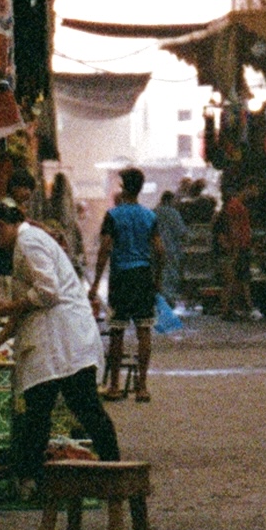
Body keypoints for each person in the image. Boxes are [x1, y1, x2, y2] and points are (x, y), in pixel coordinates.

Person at [0, 196, 123, 486]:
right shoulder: (26, 242)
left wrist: (8, 307)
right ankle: (38, 478)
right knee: (45, 410)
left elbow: (48, 292)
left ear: (1, 226)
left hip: (62, 338)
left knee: (76, 407)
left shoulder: (28, 242)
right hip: (56, 339)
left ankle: (113, 472)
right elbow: (26, 306)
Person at [94, 163, 159, 400]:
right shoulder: (150, 216)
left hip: (121, 278)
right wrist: (158, 279)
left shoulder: (113, 215)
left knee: (117, 331)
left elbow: (105, 249)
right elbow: (160, 250)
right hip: (143, 276)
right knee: (144, 330)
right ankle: (142, 387)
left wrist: (95, 284)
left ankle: (114, 386)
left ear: (123, 188)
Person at [153, 177, 191, 314]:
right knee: (170, 275)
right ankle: (168, 300)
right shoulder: (173, 213)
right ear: (170, 201)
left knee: (157, 274)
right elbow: (182, 232)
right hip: (171, 250)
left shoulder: (154, 212)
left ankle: (159, 298)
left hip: (155, 249)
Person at [217, 181, 254, 320]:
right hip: (238, 247)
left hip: (238, 246)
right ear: (246, 188)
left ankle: (232, 308)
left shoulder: (234, 206)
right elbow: (235, 229)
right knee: (233, 279)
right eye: (253, 189)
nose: (254, 193)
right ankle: (229, 309)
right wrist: (235, 249)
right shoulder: (236, 206)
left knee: (236, 279)